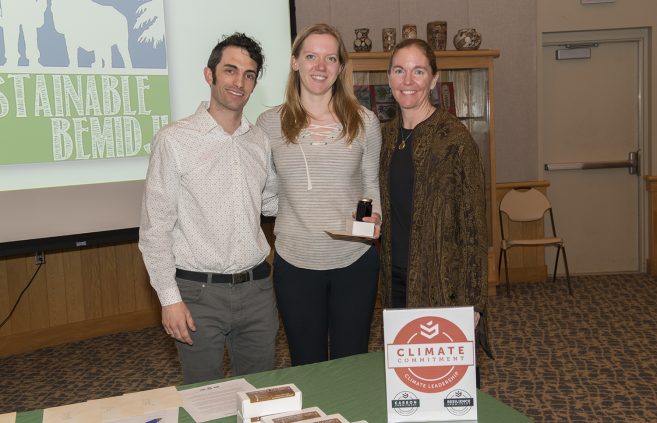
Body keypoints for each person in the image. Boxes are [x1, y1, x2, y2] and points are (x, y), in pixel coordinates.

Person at [138, 33, 278, 384]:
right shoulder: (174, 140)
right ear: (209, 75)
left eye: (249, 74)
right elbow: (156, 229)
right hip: (198, 295)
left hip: (258, 291)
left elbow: (273, 202)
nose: (239, 82)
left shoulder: (259, 141)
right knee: (205, 399)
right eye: (230, 70)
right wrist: (169, 299)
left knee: (261, 395)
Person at [257, 23, 382, 366]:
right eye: (311, 56)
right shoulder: (269, 123)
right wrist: (300, 213)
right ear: (295, 62)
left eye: (330, 58)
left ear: (340, 68)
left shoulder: (365, 121)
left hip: (354, 262)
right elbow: (266, 193)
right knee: (306, 364)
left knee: (351, 362)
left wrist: (375, 219)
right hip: (295, 263)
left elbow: (371, 183)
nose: (320, 66)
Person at [378, 39, 493, 364]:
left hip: (443, 284)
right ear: (389, 78)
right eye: (399, 71)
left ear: (433, 78)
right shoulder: (385, 138)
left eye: (418, 71)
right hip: (394, 280)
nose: (408, 80)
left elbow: (474, 229)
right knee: (405, 382)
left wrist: (475, 304)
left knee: (446, 384)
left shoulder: (455, 139)